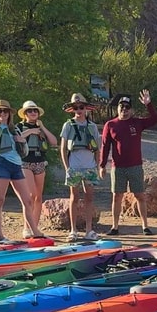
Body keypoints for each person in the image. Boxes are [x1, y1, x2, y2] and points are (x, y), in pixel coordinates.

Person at [0, 99, 45, 242]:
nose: (3, 113)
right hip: (0, 163)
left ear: (9, 113)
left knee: (27, 200)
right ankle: (0, 235)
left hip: (16, 165)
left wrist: (21, 141)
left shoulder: (14, 129)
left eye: (5, 111)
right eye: (0, 111)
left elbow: (24, 149)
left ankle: (35, 230)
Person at [99, 89, 157, 236]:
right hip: (118, 167)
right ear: (118, 108)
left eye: (127, 107)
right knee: (117, 196)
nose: (124, 110)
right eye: (122, 107)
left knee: (140, 195)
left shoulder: (137, 123)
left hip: (135, 166)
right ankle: (115, 227)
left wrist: (148, 104)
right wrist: (102, 165)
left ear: (131, 110)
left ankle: (145, 226)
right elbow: (105, 146)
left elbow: (155, 119)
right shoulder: (110, 125)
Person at [60, 93, 102, 240]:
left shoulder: (92, 126)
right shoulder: (68, 125)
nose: (79, 110)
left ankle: (89, 230)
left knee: (89, 197)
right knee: (74, 197)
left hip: (89, 166)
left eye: (81, 107)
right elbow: (63, 148)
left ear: (86, 109)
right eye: (76, 107)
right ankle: (73, 230)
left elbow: (97, 148)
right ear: (72, 109)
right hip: (74, 166)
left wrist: (97, 166)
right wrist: (67, 167)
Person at [15, 100, 58, 237]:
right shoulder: (19, 126)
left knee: (38, 197)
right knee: (30, 195)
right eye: (30, 111)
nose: (33, 113)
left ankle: (35, 227)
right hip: (25, 162)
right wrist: (30, 131)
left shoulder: (41, 128)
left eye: (35, 111)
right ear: (25, 114)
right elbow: (15, 138)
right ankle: (27, 227)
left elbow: (54, 142)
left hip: (40, 162)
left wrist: (42, 128)